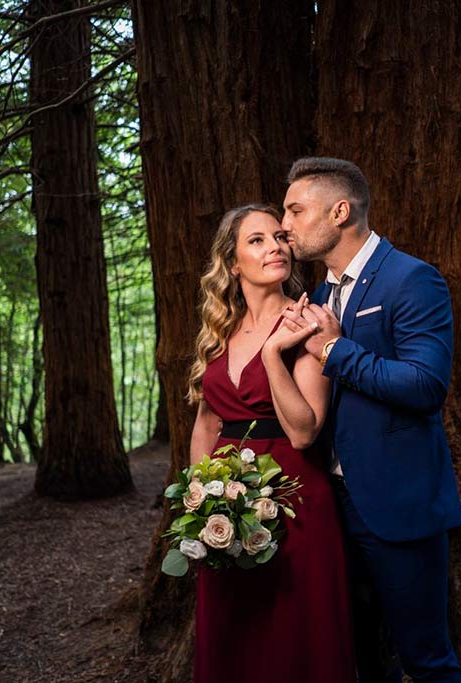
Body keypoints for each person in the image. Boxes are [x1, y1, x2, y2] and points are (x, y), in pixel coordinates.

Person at [280, 157, 461, 683]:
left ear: (339, 211)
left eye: (295, 210)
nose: (285, 224)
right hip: (331, 510)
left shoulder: (412, 279)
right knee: (360, 659)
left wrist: (335, 350)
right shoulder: (315, 296)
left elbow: (426, 386)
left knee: (426, 659)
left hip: (399, 506)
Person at [187, 204, 355, 683]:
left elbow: (305, 429)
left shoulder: (309, 321)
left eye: (280, 237)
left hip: (294, 497)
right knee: (235, 632)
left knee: (296, 634)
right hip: (226, 502)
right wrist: (202, 505)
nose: (275, 247)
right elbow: (205, 425)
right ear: (233, 263)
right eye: (257, 240)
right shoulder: (219, 331)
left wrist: (272, 356)